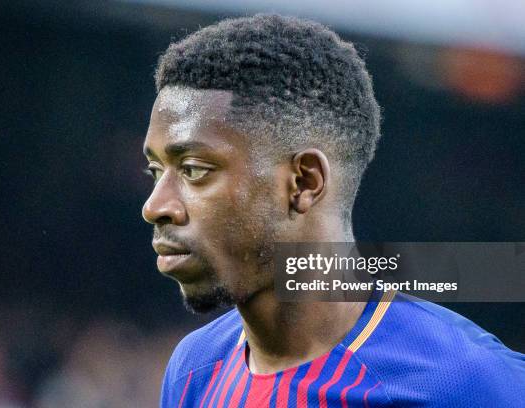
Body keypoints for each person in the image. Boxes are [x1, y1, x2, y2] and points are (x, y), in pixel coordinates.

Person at [141, 14, 525, 407]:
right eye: (155, 171)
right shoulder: (194, 370)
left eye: (193, 170)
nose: (155, 206)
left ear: (304, 183)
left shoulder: (464, 384)